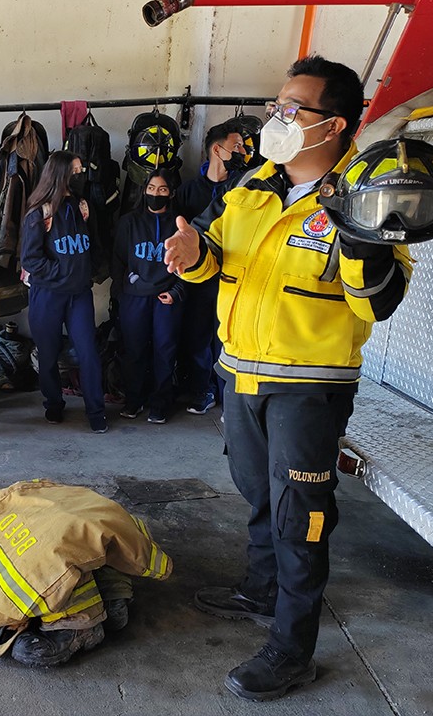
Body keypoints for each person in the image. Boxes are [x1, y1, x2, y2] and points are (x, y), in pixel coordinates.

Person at [164, 56, 413, 701]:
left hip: (311, 383)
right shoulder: (253, 186)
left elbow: (380, 301)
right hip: (241, 372)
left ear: (331, 125)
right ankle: (261, 588)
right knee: (256, 490)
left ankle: (292, 646)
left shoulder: (367, 199)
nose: (277, 116)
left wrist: (364, 242)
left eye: (292, 107)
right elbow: (219, 256)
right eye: (278, 102)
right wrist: (193, 257)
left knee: (299, 515)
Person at [20, 151, 106, 433]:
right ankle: (53, 405)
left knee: (88, 352)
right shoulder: (40, 212)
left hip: (79, 294)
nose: (81, 175)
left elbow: (92, 243)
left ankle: (96, 411)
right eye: (76, 171)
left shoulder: (82, 206)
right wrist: (64, 274)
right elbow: (30, 260)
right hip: (48, 296)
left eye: (81, 170)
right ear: (60, 175)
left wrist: (84, 273)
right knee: (48, 355)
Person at [174, 123, 247, 415]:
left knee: (228, 339)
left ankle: (228, 394)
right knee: (198, 336)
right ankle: (204, 390)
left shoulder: (245, 187)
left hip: (235, 278)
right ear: (218, 149)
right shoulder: (189, 190)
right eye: (238, 145)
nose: (244, 151)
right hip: (200, 282)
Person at [112, 169, 185, 424]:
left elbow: (191, 265)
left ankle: (160, 403)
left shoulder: (180, 224)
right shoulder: (129, 222)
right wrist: (122, 295)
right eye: (152, 189)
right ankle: (134, 400)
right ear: (144, 191)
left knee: (165, 352)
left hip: (166, 299)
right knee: (134, 351)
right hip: (135, 298)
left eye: (162, 189)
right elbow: (118, 261)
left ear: (171, 193)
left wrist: (176, 292)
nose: (156, 194)